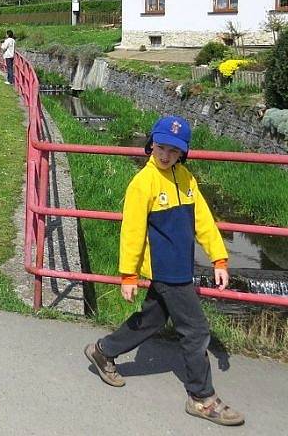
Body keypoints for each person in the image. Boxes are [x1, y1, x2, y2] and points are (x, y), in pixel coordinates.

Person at [84, 115, 244, 427]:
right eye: (160, 147)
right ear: (151, 144)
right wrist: (128, 275)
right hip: (166, 270)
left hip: (180, 265)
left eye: (173, 150)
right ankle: (202, 397)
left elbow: (204, 222)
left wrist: (219, 259)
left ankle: (103, 351)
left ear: (183, 153)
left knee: (151, 320)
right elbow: (131, 231)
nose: (165, 154)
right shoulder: (142, 184)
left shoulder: (186, 179)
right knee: (196, 331)